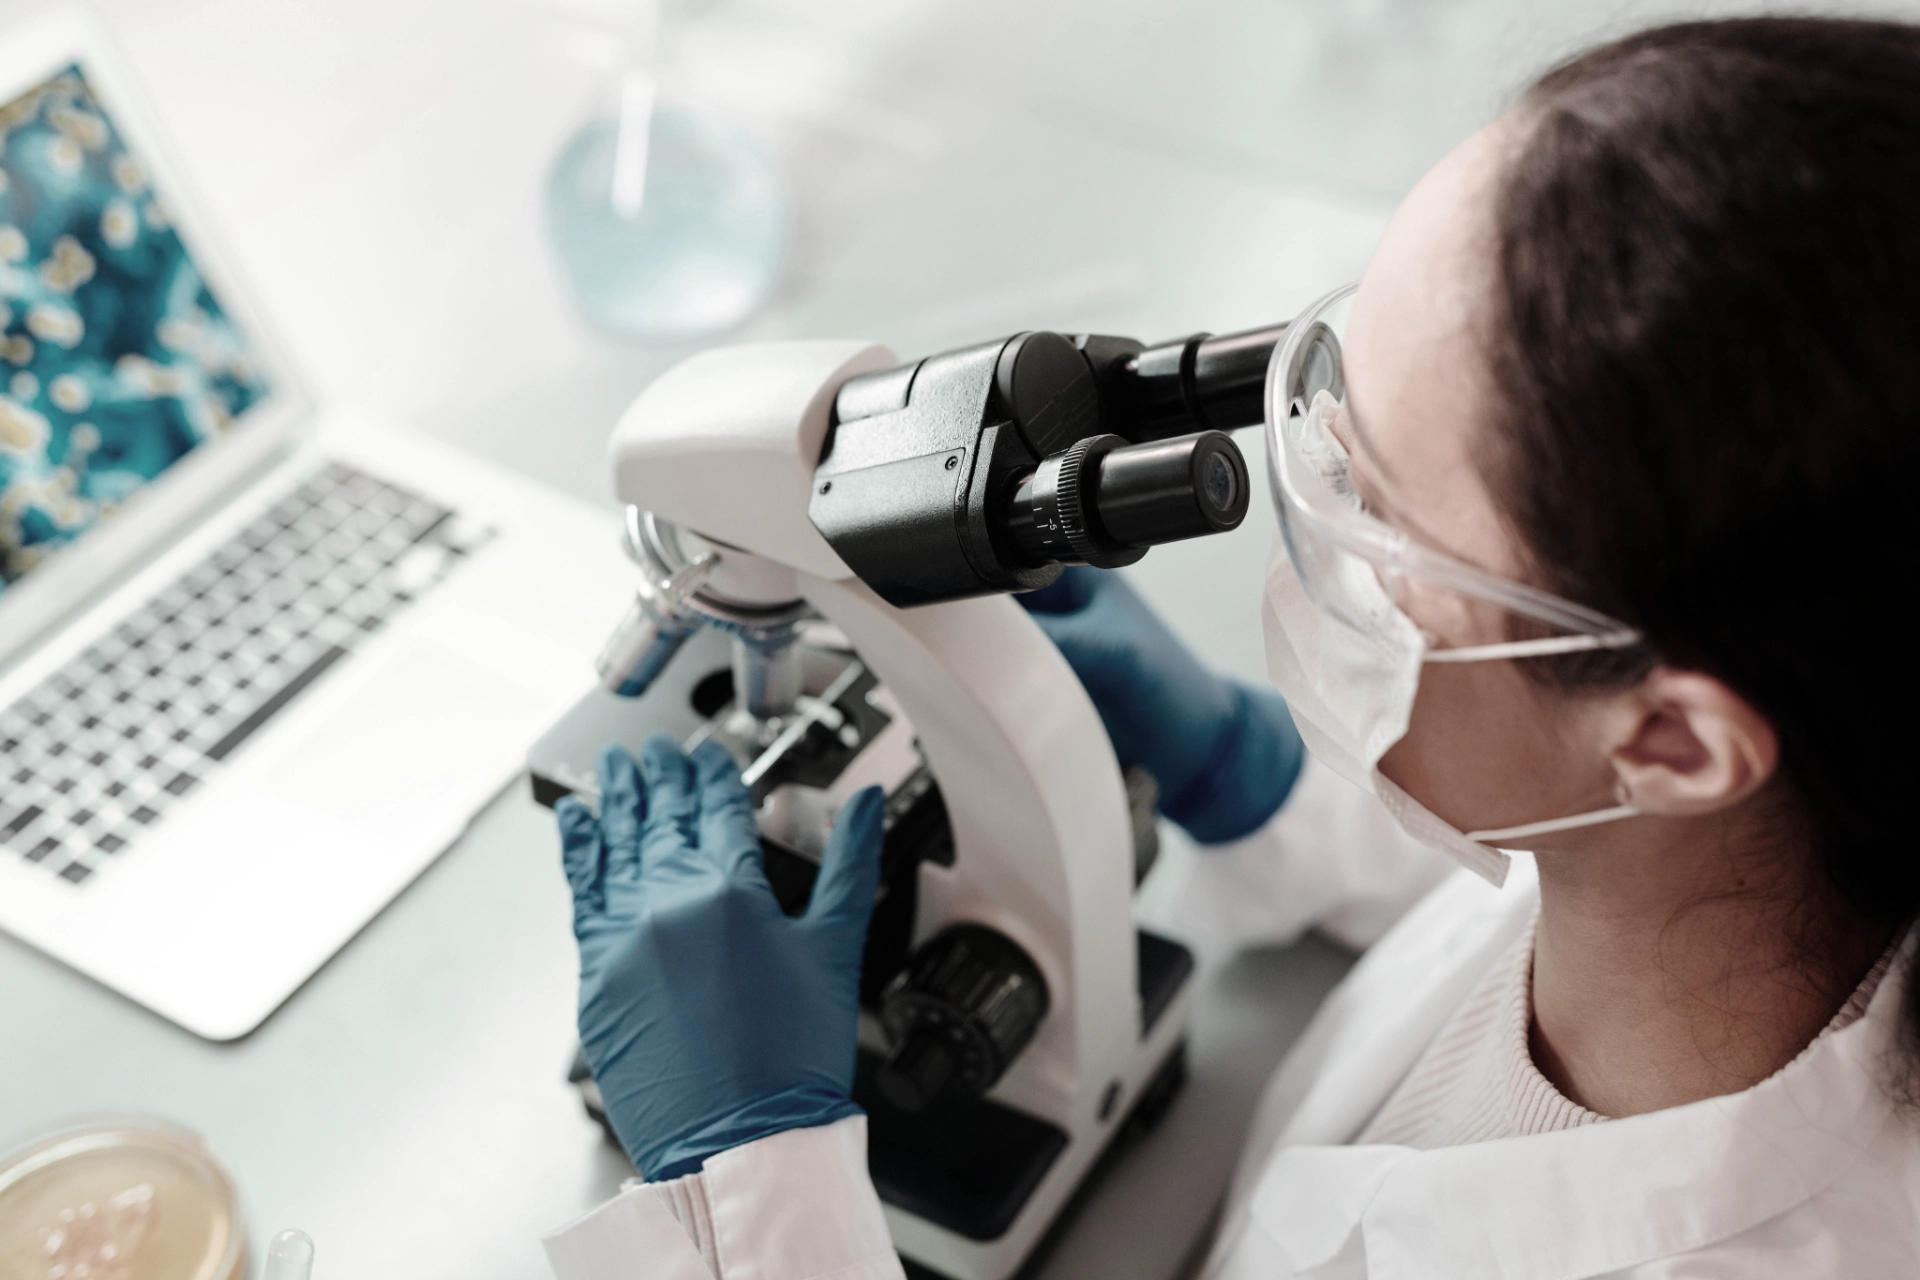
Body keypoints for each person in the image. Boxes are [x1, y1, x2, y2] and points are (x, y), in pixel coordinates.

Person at [541, 17, 1920, 1279]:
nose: (1306, 489)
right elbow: (1557, 889)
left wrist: (752, 1188)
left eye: (1372, 496)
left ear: (1671, 740)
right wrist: (1260, 790)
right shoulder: (1776, 857)